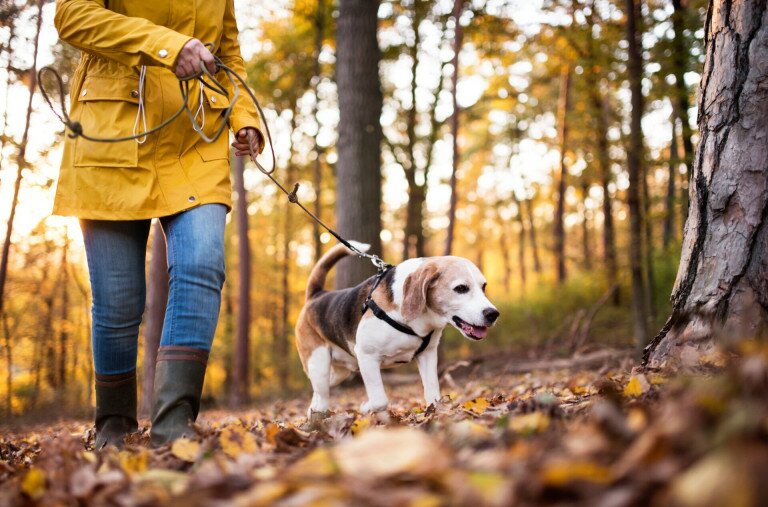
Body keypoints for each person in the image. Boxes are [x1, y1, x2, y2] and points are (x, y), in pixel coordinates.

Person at [52, 0, 264, 448]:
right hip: (112, 134)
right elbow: (71, 16)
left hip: (195, 138)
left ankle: (173, 425)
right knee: (118, 301)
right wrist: (167, 45)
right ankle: (114, 423)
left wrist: (245, 119)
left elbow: (227, 52)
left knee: (202, 265)